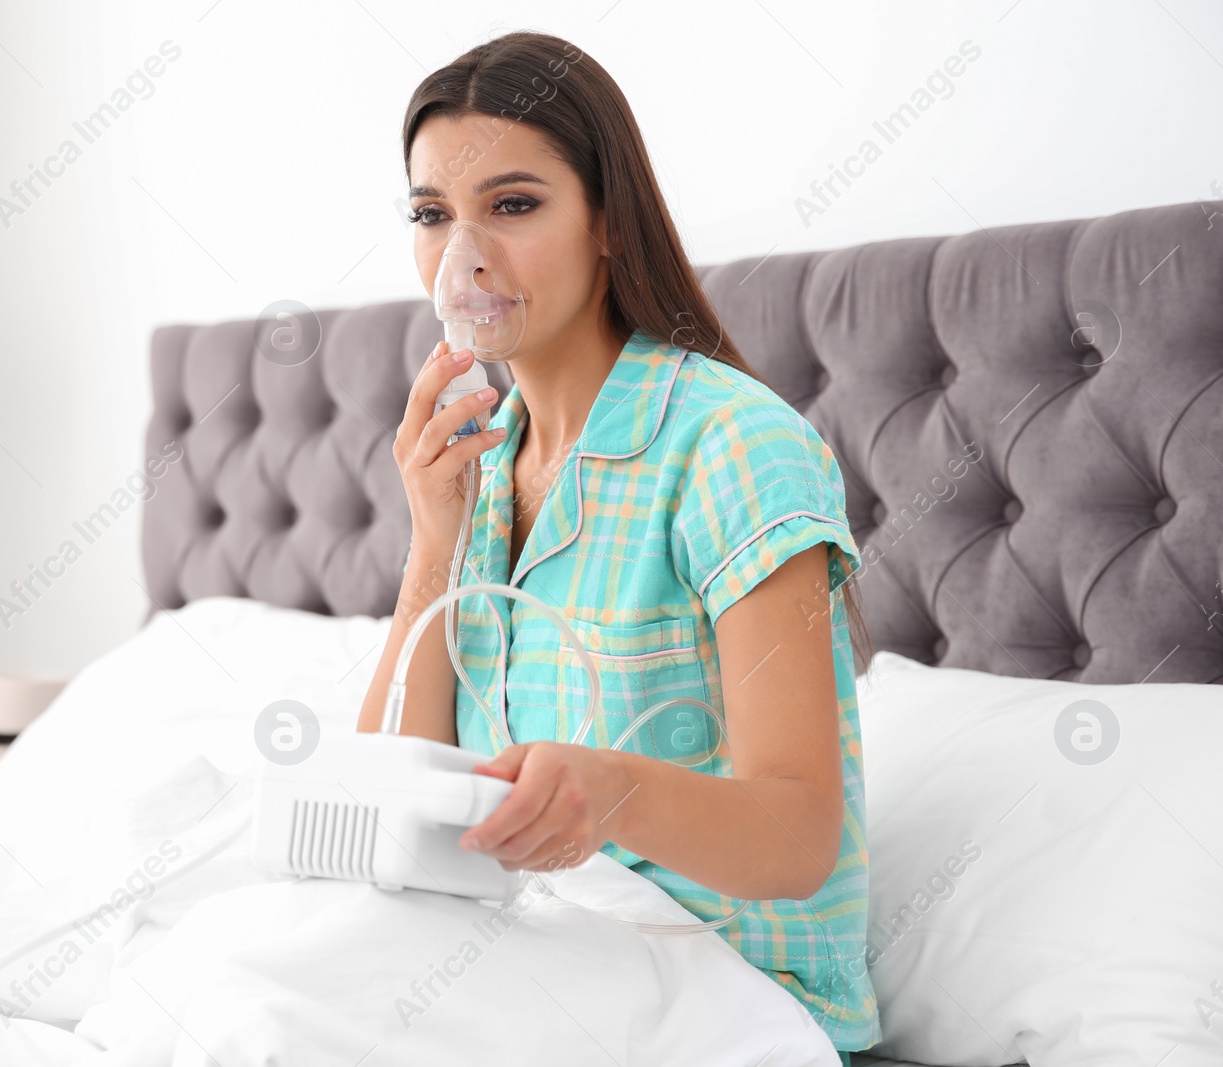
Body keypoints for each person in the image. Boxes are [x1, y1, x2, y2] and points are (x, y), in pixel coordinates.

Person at [356, 30, 881, 1059]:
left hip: (729, 990)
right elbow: (381, 793)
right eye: (431, 215)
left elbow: (800, 835)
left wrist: (615, 791)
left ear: (606, 221)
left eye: (512, 205)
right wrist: (434, 538)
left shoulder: (734, 444)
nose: (464, 257)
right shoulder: (484, 460)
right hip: (537, 958)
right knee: (252, 962)